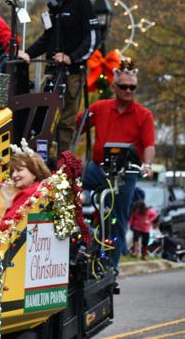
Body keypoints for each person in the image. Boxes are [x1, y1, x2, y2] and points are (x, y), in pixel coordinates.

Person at [18, 0, 98, 155]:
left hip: (72, 75)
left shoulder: (82, 3)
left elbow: (93, 39)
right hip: (51, 72)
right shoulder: (53, 6)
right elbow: (47, 37)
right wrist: (27, 53)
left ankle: (63, 171)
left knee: (66, 123)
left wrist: (71, 57)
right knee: (43, 119)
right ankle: (43, 163)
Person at [78, 60, 155, 268]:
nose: (128, 90)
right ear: (114, 87)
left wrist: (147, 165)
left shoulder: (144, 115)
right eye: (123, 86)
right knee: (70, 186)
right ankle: (78, 238)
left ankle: (111, 267)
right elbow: (75, 127)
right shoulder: (100, 108)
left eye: (132, 87)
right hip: (97, 168)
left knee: (118, 219)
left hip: (125, 173)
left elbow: (149, 145)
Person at [0, 142, 51, 242]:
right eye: (13, 171)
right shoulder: (41, 189)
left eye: (19, 170)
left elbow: (7, 225)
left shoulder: (28, 193)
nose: (14, 175)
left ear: (34, 173)